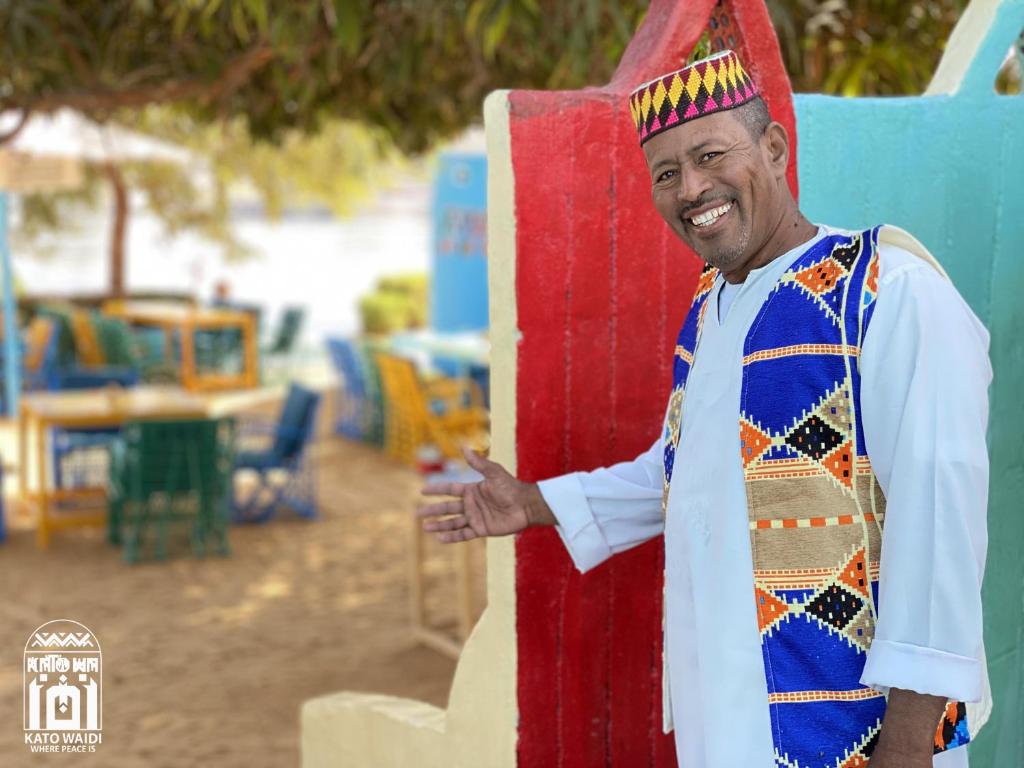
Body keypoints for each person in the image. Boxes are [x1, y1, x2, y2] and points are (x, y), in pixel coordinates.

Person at [418, 50, 990, 768]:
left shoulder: (886, 290)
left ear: (775, 148)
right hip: (725, 728)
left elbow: (941, 525)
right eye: (666, 173)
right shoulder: (710, 308)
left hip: (859, 738)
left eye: (711, 154)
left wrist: (906, 751)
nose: (692, 188)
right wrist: (534, 503)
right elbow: (683, 475)